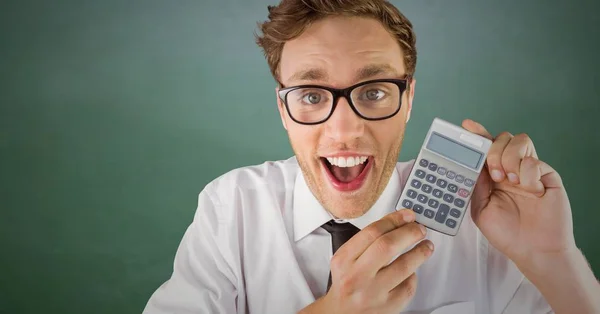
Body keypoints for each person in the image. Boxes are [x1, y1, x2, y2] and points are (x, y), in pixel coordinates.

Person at [142, 1, 600, 313]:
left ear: (409, 99)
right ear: (283, 109)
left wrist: (554, 259)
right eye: (310, 95)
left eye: (376, 91)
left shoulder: (486, 224)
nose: (344, 131)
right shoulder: (232, 208)